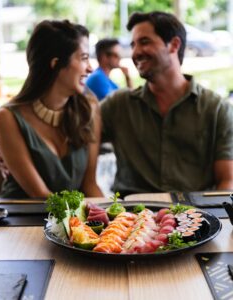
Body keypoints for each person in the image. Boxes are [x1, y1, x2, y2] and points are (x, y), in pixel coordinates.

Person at [100, 11, 233, 197]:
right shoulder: (118, 105)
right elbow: (77, 137)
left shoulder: (217, 109)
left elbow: (227, 179)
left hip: (195, 218)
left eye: (144, 42)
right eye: (133, 45)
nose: (135, 52)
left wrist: (214, 221)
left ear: (174, 45)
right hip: (129, 220)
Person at [0, 20, 103, 198]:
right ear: (55, 63)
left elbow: (89, 185)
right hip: (21, 220)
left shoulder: (89, 108)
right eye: (83, 58)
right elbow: (40, 196)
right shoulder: (7, 117)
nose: (90, 68)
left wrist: (117, 218)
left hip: (70, 221)